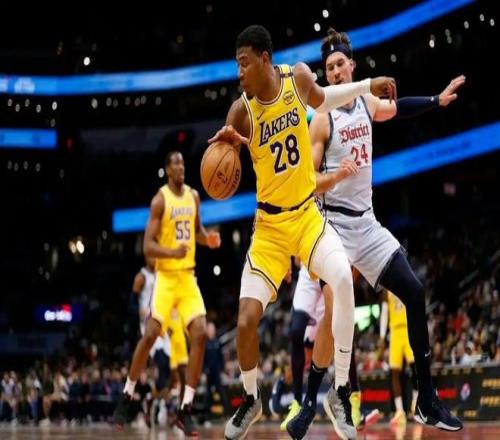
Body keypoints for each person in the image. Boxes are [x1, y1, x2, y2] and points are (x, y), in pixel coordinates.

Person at [207, 24, 396, 440]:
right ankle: (251, 398)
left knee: (343, 279)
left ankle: (341, 391)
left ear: (264, 59)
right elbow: (224, 165)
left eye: (244, 64)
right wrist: (224, 149)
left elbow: (326, 99)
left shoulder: (298, 78)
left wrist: (368, 85)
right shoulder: (241, 111)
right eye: (236, 65)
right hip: (270, 229)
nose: (239, 73)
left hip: (307, 216)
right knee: (245, 321)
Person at [288, 27, 465, 437]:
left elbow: (397, 108)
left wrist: (436, 100)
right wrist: (335, 176)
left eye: (340, 64)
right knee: (334, 309)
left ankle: (427, 400)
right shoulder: (322, 118)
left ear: (352, 66)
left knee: (415, 292)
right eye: (329, 68)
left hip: (365, 223)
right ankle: (312, 401)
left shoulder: (367, 104)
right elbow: (308, 183)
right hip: (331, 225)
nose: (335, 72)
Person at [113, 150, 221, 436]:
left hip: (187, 278)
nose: (181, 167)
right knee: (150, 334)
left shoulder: (193, 196)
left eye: (183, 163)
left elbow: (197, 230)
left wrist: (208, 239)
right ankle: (126, 395)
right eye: (175, 163)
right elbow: (147, 246)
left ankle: (185, 410)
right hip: (165, 278)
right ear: (167, 170)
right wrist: (172, 252)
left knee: (200, 333)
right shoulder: (160, 200)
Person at [380, 290, 419, 426]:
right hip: (395, 333)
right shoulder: (386, 291)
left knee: (415, 368)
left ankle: (416, 403)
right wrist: (382, 336)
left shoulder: (406, 282)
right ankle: (399, 411)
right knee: (394, 372)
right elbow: (384, 313)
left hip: (408, 329)